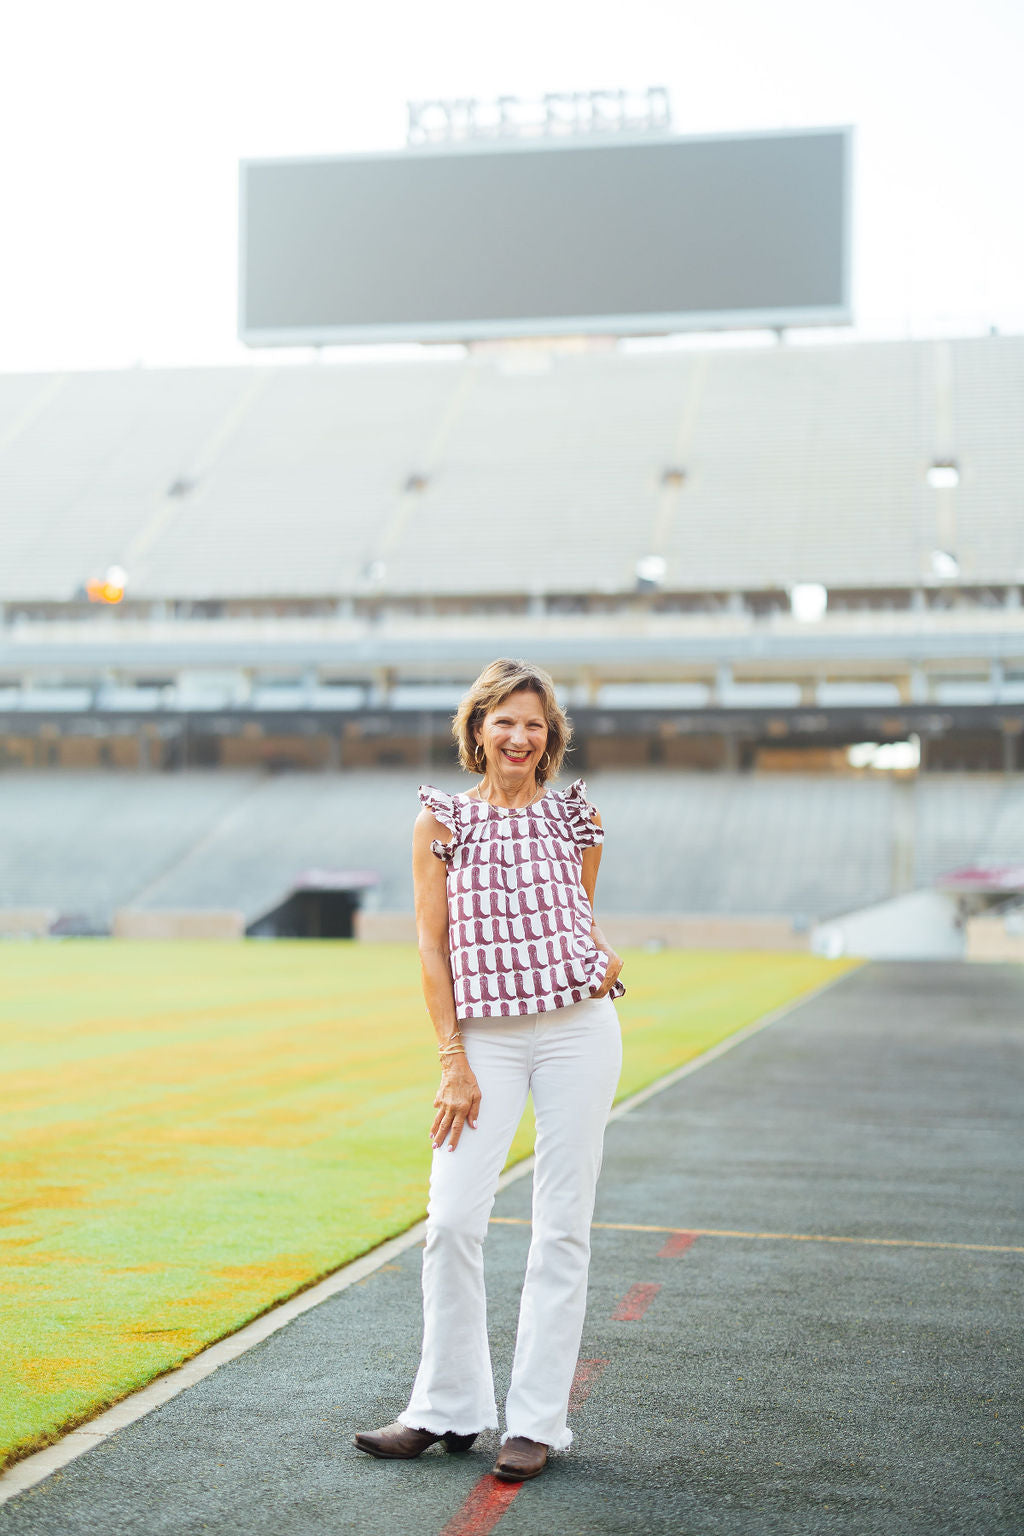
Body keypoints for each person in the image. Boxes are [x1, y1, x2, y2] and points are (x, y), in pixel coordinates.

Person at [354, 657, 625, 1482]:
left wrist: (595, 958)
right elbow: (432, 947)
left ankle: (536, 1424)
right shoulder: (440, 820)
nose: (519, 735)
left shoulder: (578, 816)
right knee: (453, 1220)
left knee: (561, 1226)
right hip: (484, 1041)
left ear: (551, 739)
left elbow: (574, 915)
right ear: (478, 730)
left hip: (580, 1030)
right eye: (504, 720)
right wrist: (452, 1060)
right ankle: (446, 1409)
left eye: (535, 724)